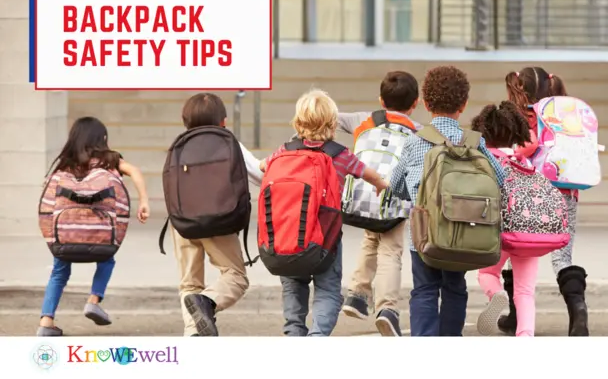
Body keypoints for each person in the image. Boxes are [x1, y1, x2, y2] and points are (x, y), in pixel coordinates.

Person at [260, 89, 389, 337]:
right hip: (325, 241)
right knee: (328, 290)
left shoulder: (283, 151)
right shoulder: (340, 155)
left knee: (293, 286)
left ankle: (294, 333)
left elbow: (263, 166)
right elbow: (369, 174)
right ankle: (317, 336)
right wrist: (382, 186)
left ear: (298, 123)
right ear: (333, 124)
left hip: (288, 237)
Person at [390, 66, 506, 336]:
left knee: (424, 290)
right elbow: (499, 180)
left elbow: (396, 186)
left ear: (427, 104)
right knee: (455, 288)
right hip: (464, 232)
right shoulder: (474, 142)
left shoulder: (414, 142)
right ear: (463, 105)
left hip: (423, 236)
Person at [37, 117, 150, 336]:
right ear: (103, 139)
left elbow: (48, 199)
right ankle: (93, 300)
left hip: (66, 235)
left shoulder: (65, 163)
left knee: (58, 274)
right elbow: (135, 171)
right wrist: (144, 200)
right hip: (101, 235)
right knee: (107, 260)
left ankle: (46, 322)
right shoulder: (110, 160)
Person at [501, 66, 589, 336]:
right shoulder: (563, 117)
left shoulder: (515, 118)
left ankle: (517, 315)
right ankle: (578, 312)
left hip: (525, 194)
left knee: (516, 251)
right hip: (564, 192)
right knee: (562, 255)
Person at [338, 71, 422, 336]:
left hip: (361, 199)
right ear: (416, 103)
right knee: (391, 252)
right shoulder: (417, 132)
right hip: (393, 201)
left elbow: (329, 116)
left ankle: (357, 295)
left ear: (381, 101)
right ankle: (387, 309)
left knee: (370, 239)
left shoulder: (363, 120)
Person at [172, 93, 263, 337]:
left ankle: (194, 335)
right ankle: (207, 301)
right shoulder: (228, 142)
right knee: (236, 277)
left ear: (185, 121)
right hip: (219, 219)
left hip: (181, 222)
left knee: (189, 284)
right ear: (223, 121)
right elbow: (260, 176)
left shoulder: (180, 145)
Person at [471, 102, 544, 337]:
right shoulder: (524, 161)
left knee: (487, 273)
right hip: (528, 232)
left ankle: (496, 295)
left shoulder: (486, 160)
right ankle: (526, 335)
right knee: (525, 291)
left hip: (498, 231)